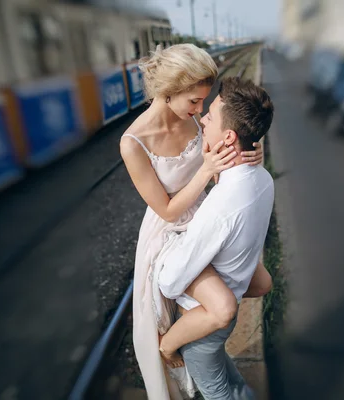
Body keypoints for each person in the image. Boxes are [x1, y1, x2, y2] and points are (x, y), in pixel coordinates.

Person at [119, 44, 272, 399]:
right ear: (168, 92)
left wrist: (250, 154)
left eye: (204, 103)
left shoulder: (193, 117)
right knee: (220, 308)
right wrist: (206, 170)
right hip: (172, 230)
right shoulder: (133, 143)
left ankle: (198, 329)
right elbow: (168, 211)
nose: (199, 111)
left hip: (208, 215)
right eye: (194, 101)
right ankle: (176, 342)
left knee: (262, 282)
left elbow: (223, 154)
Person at [157, 76, 275, 400]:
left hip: (200, 329)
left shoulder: (221, 208)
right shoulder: (263, 179)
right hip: (227, 311)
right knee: (230, 382)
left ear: (228, 137)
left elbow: (169, 282)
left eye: (209, 116)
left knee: (218, 393)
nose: (201, 119)